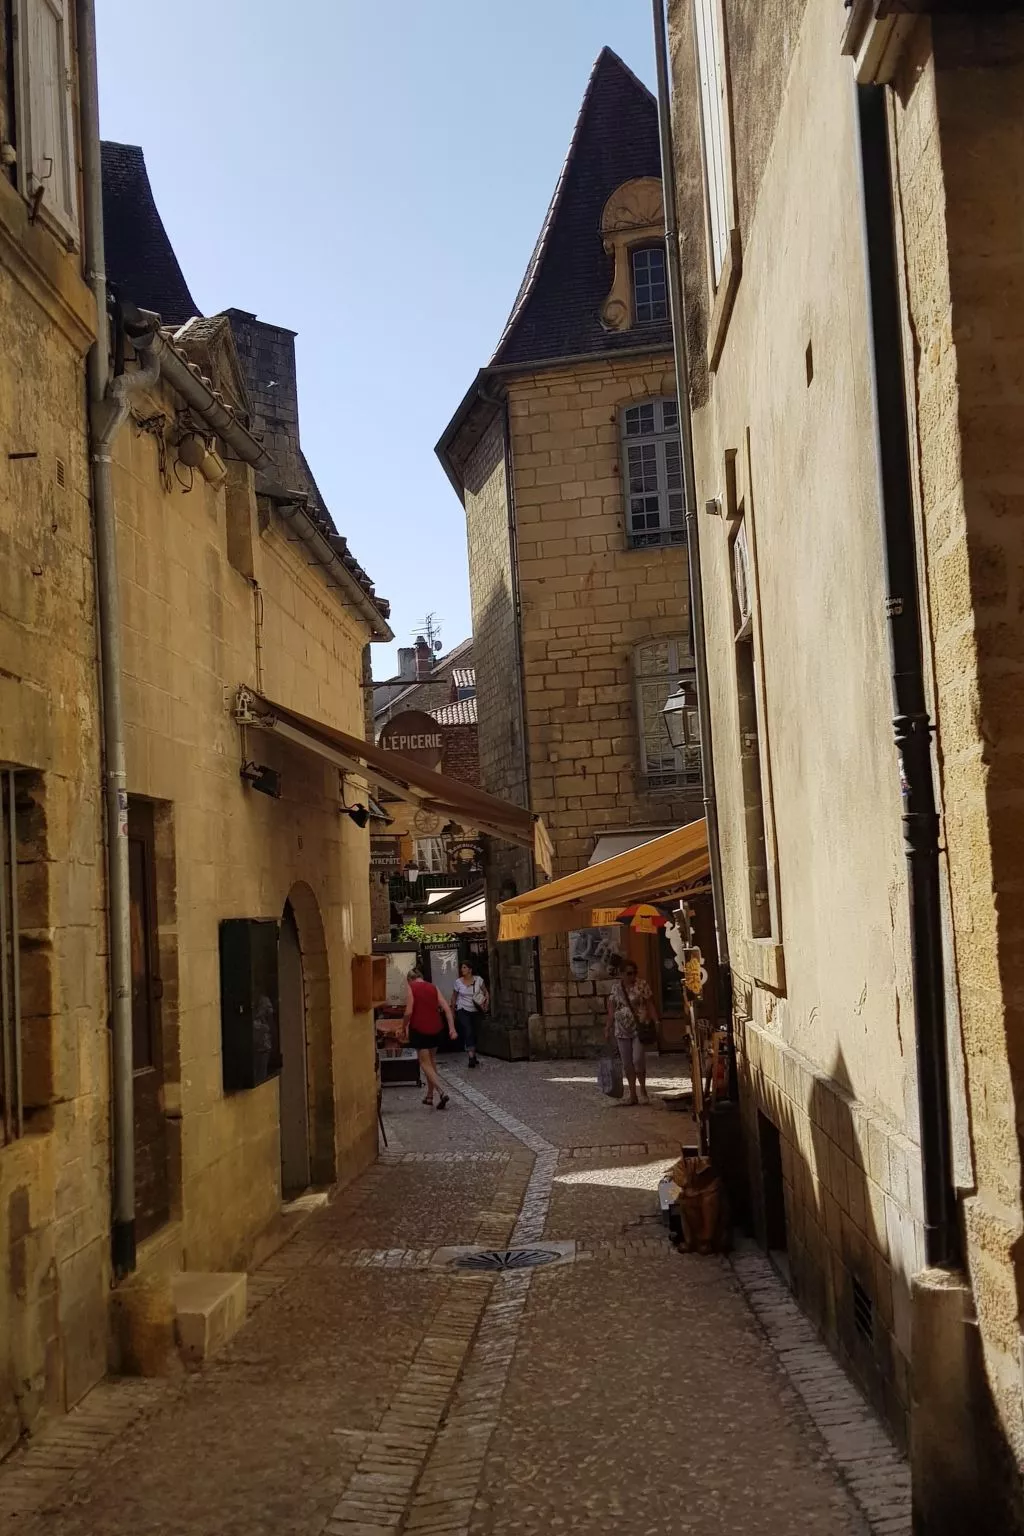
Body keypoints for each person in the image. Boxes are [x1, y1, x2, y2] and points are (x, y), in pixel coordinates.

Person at [605, 960, 658, 1107]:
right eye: (629, 973)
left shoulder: (642, 985)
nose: (632, 976)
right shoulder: (616, 988)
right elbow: (611, 1009)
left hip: (638, 1028)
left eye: (635, 972)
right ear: (622, 974)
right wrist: (607, 1027)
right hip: (621, 1030)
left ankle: (643, 1090)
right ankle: (633, 1094)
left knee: (637, 1060)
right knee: (627, 1063)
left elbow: (650, 1004)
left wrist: (656, 1021)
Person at [403, 967, 457, 1109]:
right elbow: (446, 1008)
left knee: (424, 1063)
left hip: (420, 1029)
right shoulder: (433, 987)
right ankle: (429, 1096)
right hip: (436, 1028)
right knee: (431, 1063)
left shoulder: (411, 988)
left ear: (410, 979)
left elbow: (408, 1011)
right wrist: (452, 1028)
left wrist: (404, 1025)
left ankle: (442, 1091)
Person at [450, 962, 489, 1069]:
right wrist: (452, 1011)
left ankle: (473, 1051)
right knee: (468, 1030)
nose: (462, 969)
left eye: (464, 967)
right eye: (461, 967)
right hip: (463, 1009)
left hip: (476, 1009)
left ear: (470, 970)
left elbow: (485, 992)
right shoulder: (458, 982)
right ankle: (471, 1056)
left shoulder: (479, 980)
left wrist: (486, 1003)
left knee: (475, 1032)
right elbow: (454, 997)